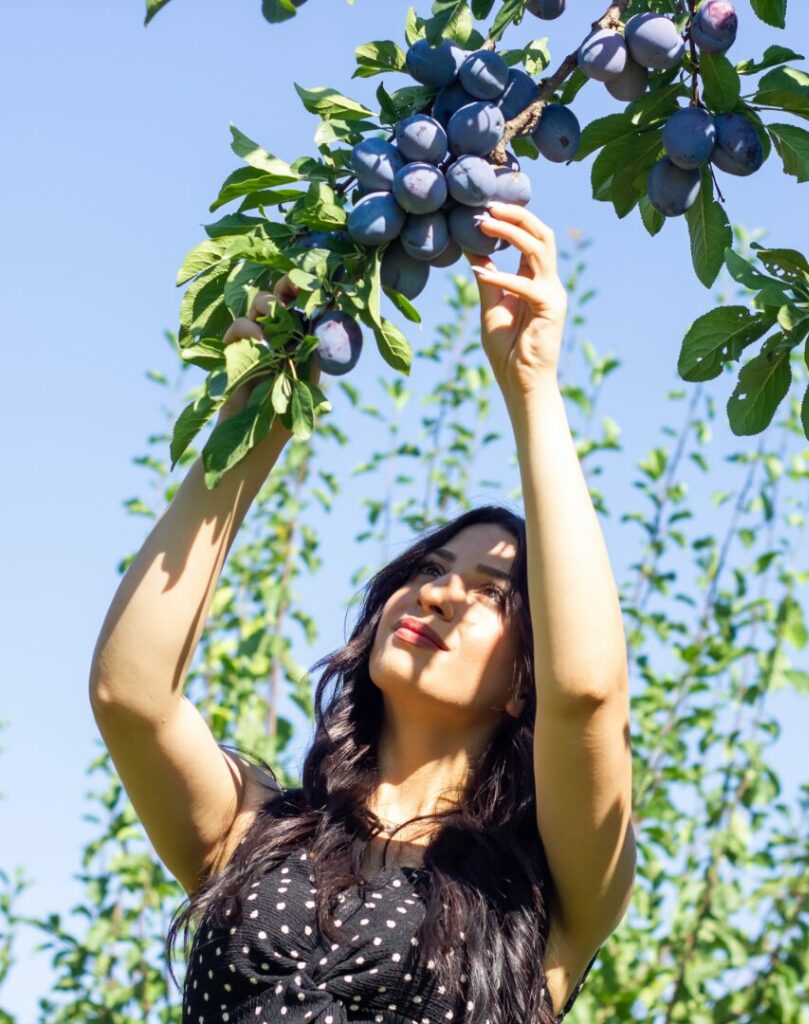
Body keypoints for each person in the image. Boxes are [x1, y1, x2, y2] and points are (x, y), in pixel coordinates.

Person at [89, 201, 636, 1024]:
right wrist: (257, 421)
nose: (441, 591)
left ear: (524, 681)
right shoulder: (256, 830)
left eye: (492, 594)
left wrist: (532, 388)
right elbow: (132, 696)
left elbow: (589, 689)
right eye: (429, 569)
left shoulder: (548, 890)